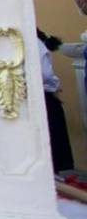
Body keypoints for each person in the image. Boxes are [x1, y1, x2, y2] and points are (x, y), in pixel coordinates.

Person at [36, 29, 75, 173]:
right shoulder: (38, 43)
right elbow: (46, 75)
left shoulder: (33, 43)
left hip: (43, 98)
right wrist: (54, 86)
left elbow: (44, 74)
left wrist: (52, 85)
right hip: (45, 96)